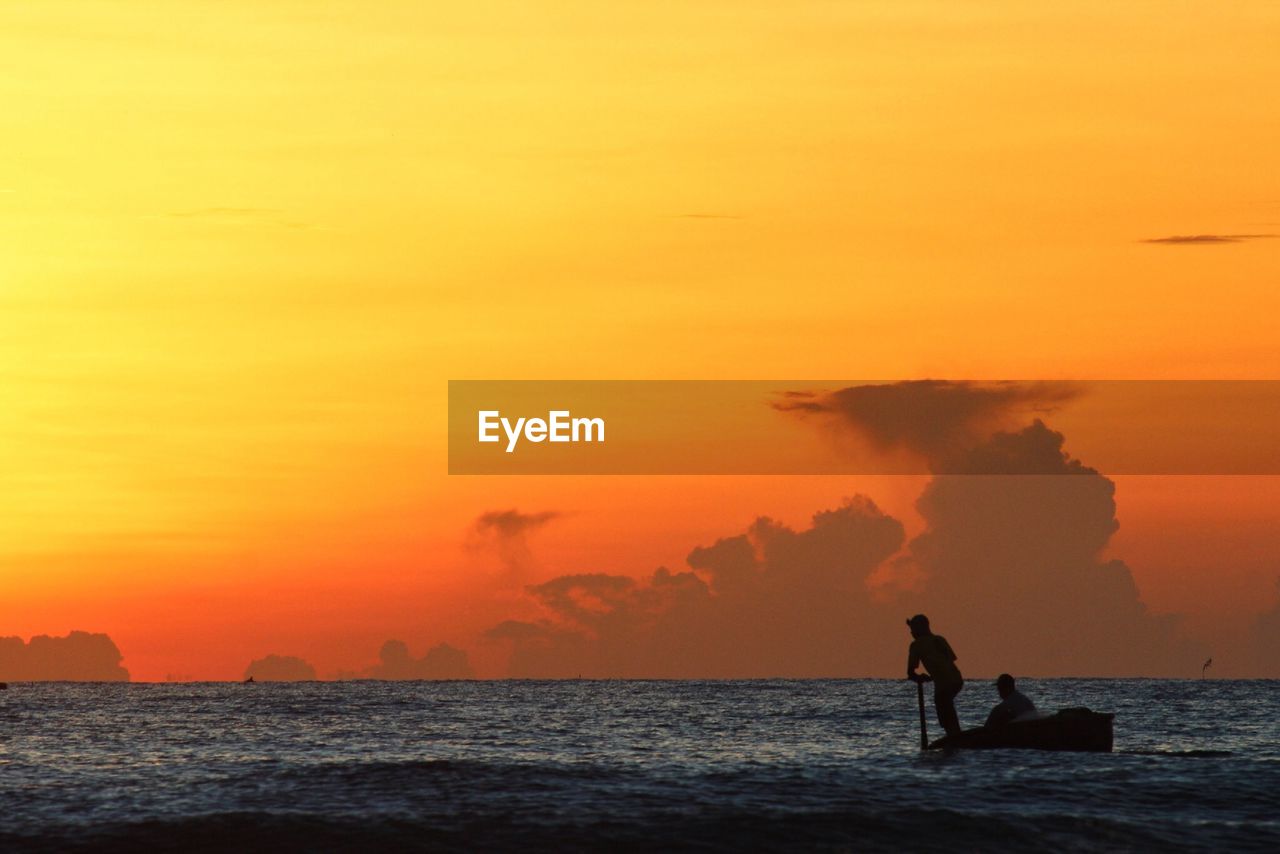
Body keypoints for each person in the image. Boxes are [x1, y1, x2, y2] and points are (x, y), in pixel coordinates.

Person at [905, 614, 964, 737]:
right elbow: (947, 662)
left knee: (944, 708)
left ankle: (954, 736)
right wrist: (929, 677)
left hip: (943, 684)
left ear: (919, 629)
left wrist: (919, 678)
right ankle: (955, 734)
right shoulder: (940, 639)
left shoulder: (917, 645)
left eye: (913, 629)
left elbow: (910, 673)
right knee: (947, 706)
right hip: (957, 679)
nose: (911, 632)